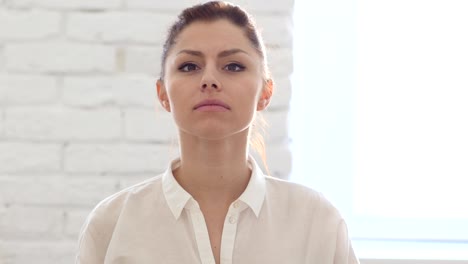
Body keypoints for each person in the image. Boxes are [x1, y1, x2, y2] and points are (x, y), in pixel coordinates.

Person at [76, 1, 359, 263]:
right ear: (163, 93)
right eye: (189, 66)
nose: (209, 79)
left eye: (233, 66)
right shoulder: (111, 225)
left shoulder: (318, 223)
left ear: (266, 91)